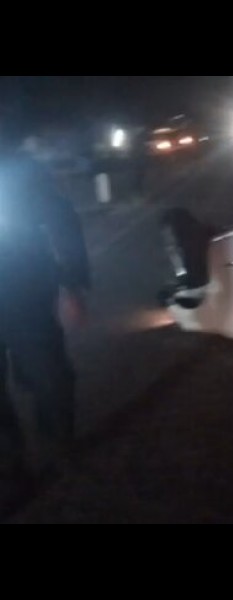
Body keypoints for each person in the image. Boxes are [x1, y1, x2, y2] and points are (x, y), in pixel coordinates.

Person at [0, 105, 90, 516]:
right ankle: (11, 468)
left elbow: (62, 223)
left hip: (25, 295)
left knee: (50, 378)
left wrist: (72, 285)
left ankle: (58, 447)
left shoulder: (22, 171)